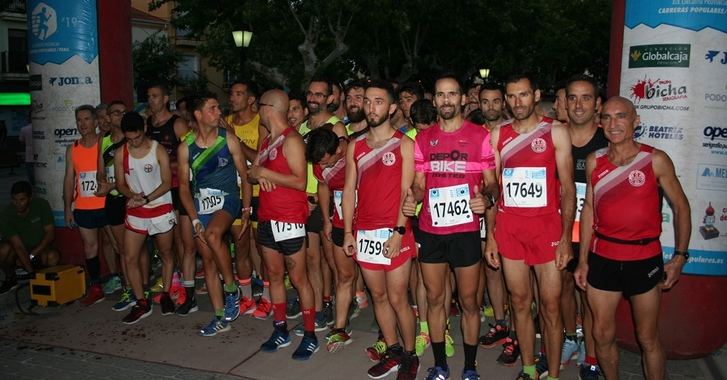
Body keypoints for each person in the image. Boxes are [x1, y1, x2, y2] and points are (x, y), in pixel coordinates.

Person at [574, 96, 691, 380]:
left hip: (643, 259)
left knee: (647, 337)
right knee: (601, 334)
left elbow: (681, 207)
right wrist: (583, 261)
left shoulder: (655, 159)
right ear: (601, 123)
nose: (614, 124)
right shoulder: (595, 161)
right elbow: (589, 208)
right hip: (603, 258)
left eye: (621, 116)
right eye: (608, 118)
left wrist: (679, 257)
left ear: (636, 121)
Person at [403, 74, 497, 380]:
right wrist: (411, 199)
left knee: (469, 302)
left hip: (466, 231)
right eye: (440, 95)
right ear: (434, 99)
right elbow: (419, 185)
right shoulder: (422, 139)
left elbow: (494, 183)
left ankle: (470, 367)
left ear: (462, 99)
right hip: (431, 230)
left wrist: (487, 197)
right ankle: (440, 364)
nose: (446, 100)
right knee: (434, 299)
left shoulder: (480, 136)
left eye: (452, 94)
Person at [486, 73, 575, 380]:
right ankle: (528, 369)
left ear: (536, 95)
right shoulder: (498, 134)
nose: (517, 102)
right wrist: (491, 237)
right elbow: (493, 189)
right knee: (520, 302)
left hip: (546, 227)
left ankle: (552, 374)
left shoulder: (556, 132)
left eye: (523, 95)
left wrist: (566, 237)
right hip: (510, 227)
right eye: (511, 96)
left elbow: (569, 189)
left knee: (550, 307)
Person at [342, 79, 419, 379]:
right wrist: (349, 232)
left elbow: (406, 193)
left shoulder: (404, 144)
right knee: (378, 296)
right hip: (364, 233)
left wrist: (399, 233)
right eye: (367, 101)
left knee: (399, 297)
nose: (371, 107)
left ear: (392, 107)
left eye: (378, 102)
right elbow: (350, 191)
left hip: (394, 232)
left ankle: (410, 355)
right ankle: (393, 350)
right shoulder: (355, 146)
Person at [251, 89, 318, 360]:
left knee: (299, 277)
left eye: (260, 107)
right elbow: (251, 173)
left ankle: (311, 334)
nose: (258, 112)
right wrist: (259, 174)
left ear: (269, 109)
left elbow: (300, 181)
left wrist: (266, 173)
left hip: (289, 218)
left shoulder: (292, 140)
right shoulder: (267, 140)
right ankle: (280, 329)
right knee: (274, 275)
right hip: (267, 216)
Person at [178, 92, 251, 334]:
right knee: (208, 261)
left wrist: (247, 208)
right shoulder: (185, 147)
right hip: (201, 206)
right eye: (213, 108)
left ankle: (232, 289)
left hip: (228, 200)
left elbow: (245, 177)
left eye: (218, 107)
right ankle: (220, 317)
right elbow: (183, 189)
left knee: (213, 234)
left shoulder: (228, 139)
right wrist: (195, 219)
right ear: (198, 115)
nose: (219, 112)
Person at [560, 75, 609, 379]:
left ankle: (591, 355)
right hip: (561, 230)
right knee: (562, 288)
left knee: (590, 295)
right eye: (573, 98)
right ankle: (569, 338)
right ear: (564, 102)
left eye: (586, 98)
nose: (578, 105)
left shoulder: (609, 140)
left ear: (597, 104)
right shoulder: (555, 136)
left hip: (594, 232)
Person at [113, 112, 177, 324]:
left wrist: (147, 198)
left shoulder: (157, 149)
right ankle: (141, 301)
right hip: (136, 210)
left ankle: (166, 293)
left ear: (144, 131)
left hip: (160, 206)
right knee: (130, 257)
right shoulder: (121, 152)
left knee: (166, 253)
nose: (133, 142)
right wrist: (133, 196)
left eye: (137, 137)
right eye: (129, 138)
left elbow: (168, 182)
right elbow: (120, 183)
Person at [305, 127, 355, 353]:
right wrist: (326, 219)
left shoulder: (356, 151)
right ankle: (340, 328)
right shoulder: (319, 159)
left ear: (338, 149)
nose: (323, 167)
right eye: (319, 164)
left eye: (327, 162)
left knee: (380, 285)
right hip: (339, 222)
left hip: (367, 223)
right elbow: (324, 186)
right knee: (343, 275)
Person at [224, 79, 268, 319]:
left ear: (251, 99)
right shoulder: (225, 122)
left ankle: (268, 298)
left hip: (260, 193)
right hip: (235, 193)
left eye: (238, 94)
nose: (233, 98)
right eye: (231, 94)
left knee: (263, 249)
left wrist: (234, 139)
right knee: (240, 246)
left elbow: (259, 160)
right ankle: (247, 296)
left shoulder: (260, 123)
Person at [145, 83, 191, 298]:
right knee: (161, 237)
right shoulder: (147, 125)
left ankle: (183, 279)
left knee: (181, 238)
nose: (150, 100)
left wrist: (167, 165)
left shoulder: (178, 123)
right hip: (156, 189)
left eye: (154, 96)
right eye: (148, 96)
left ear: (164, 99)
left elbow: (191, 155)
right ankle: (170, 278)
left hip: (176, 186)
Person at [476, 82, 511, 356]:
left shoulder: (513, 133)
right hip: (478, 210)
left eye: (495, 101)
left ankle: (517, 326)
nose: (490, 107)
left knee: (515, 274)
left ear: (504, 103)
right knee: (491, 268)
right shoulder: (473, 134)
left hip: (511, 212)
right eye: (485, 101)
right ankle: (501, 323)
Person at [63, 105, 108, 306]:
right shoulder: (72, 148)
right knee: (90, 248)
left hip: (107, 203)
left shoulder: (104, 142)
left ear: (96, 121)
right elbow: (68, 180)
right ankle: (96, 286)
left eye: (87, 119)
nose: (83, 124)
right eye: (79, 120)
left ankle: (127, 284)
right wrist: (67, 208)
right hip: (84, 206)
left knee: (116, 245)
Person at [95, 100, 135, 307]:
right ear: (109, 118)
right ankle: (130, 290)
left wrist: (114, 185)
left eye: (123, 112)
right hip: (113, 200)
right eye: (115, 113)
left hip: (131, 199)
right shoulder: (103, 140)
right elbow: (100, 172)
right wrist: (108, 184)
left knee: (134, 249)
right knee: (121, 248)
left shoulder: (132, 140)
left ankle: (139, 288)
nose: (120, 115)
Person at [0, 181, 60, 294]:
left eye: (22, 199)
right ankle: (10, 277)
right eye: (14, 200)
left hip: (39, 249)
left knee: (52, 257)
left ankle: (46, 281)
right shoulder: (5, 214)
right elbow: (18, 245)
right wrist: (30, 272)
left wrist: (32, 255)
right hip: (17, 252)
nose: (18, 203)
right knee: (3, 251)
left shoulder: (41, 205)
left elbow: (50, 234)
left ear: (30, 198)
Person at [19, 119, 35, 186]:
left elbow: (21, 140)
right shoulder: (42, 127)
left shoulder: (24, 129)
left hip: (29, 154)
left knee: (30, 172)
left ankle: (33, 185)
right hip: (41, 154)